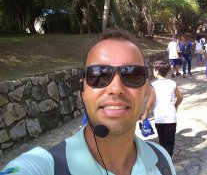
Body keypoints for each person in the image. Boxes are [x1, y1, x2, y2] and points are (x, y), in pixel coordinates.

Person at [2, 28, 176, 175]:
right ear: (82, 90)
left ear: (146, 89)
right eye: (99, 75)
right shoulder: (46, 166)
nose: (116, 88)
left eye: (132, 74)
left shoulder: (161, 160)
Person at [141, 60, 183, 157]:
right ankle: (169, 159)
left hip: (159, 118)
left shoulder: (154, 85)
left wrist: (145, 114)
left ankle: (165, 159)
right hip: (171, 117)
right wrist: (175, 106)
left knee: (162, 140)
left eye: (153, 69)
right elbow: (180, 97)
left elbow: (150, 101)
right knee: (170, 141)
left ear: (156, 71)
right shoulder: (172, 83)